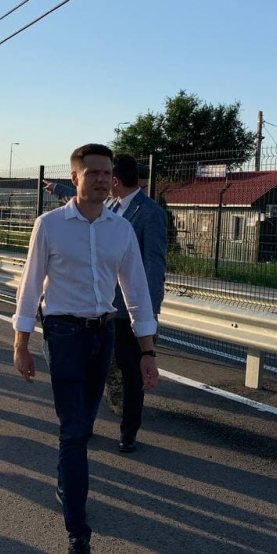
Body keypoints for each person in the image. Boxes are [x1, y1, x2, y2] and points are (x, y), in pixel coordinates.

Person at [13, 144, 158, 554]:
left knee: (84, 426)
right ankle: (78, 537)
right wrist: (21, 343)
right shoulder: (50, 225)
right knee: (74, 433)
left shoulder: (121, 229)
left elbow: (136, 292)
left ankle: (66, 482)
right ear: (74, 178)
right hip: (64, 335)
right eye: (92, 172)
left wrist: (148, 352)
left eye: (106, 172)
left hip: (104, 334)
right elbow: (30, 285)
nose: (101, 179)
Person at [44, 154, 167, 452]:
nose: (100, 181)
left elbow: (153, 265)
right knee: (96, 373)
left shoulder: (149, 213)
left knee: (131, 371)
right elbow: (80, 198)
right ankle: (83, 425)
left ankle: (129, 432)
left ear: (114, 179)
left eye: (106, 174)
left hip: (130, 310)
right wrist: (58, 189)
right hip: (103, 310)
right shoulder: (110, 206)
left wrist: (148, 313)